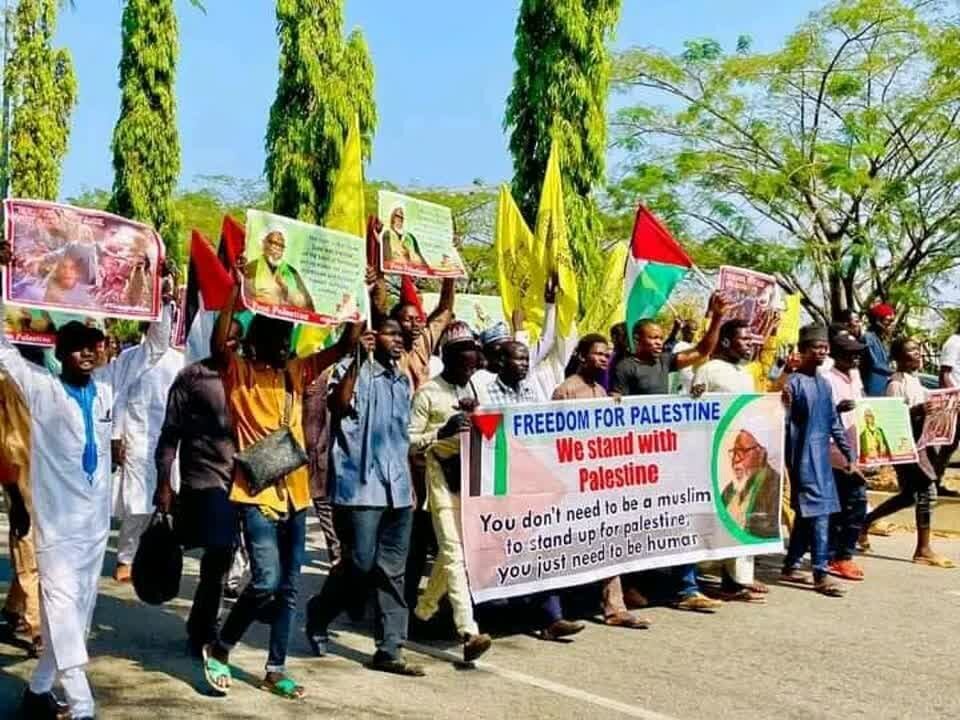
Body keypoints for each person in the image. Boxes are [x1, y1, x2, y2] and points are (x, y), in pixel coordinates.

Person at [199, 259, 359, 700]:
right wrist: (237, 289)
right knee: (266, 580)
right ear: (256, 340)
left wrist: (357, 298)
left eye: (286, 337)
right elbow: (219, 341)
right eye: (275, 336)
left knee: (288, 589)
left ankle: (275, 669)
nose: (284, 342)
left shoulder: (297, 372)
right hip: (255, 492)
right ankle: (221, 645)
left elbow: (346, 345)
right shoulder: (239, 372)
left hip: (296, 493)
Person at [0, 264, 113, 719]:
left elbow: (155, 349)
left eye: (93, 346)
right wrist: (1, 273)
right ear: (61, 353)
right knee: (64, 615)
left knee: (76, 618)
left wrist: (162, 300)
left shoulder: (107, 390)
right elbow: (3, 350)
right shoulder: (42, 389)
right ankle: (82, 706)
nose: (87, 353)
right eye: (77, 347)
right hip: (58, 529)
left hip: (95, 529)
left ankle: (37, 691)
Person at [306, 317, 426, 676]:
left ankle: (390, 648)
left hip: (397, 489)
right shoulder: (354, 370)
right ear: (375, 336)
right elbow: (339, 405)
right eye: (391, 334)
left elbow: (401, 436)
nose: (399, 340)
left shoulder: (402, 381)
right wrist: (358, 358)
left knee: (393, 570)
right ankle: (320, 612)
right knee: (359, 565)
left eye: (401, 335)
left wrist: (409, 483)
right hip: (360, 487)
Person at [612, 293, 730, 613]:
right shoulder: (626, 367)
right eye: (652, 337)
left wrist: (717, 317)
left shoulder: (665, 361)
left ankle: (686, 588)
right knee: (637, 523)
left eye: (660, 337)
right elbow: (614, 407)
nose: (658, 342)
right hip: (636, 459)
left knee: (680, 515)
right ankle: (632, 584)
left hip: (665, 454)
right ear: (637, 340)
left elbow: (703, 351)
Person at [476, 341, 586, 640]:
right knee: (497, 549)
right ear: (502, 361)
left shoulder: (531, 390)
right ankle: (483, 617)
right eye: (519, 359)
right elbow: (482, 432)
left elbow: (543, 428)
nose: (525, 364)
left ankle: (552, 617)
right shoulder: (484, 390)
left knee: (539, 544)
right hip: (497, 480)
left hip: (529, 479)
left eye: (527, 359)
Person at [154, 318, 244, 657]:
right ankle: (204, 630)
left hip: (241, 481)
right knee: (218, 550)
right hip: (204, 480)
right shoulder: (191, 377)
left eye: (235, 340)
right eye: (224, 337)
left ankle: (201, 623)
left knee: (222, 558)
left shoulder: (248, 376)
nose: (228, 345)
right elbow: (169, 435)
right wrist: (164, 482)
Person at [408, 321, 494, 661]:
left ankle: (423, 611)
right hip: (439, 481)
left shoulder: (476, 388)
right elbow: (409, 441)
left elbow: (492, 431)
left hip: (470, 480)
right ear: (447, 359)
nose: (468, 370)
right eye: (462, 364)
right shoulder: (428, 393)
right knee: (455, 555)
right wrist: (442, 432)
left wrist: (480, 418)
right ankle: (468, 631)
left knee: (453, 553)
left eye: (472, 364)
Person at [553, 334, 651, 628]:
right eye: (598, 354)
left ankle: (614, 607)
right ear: (582, 356)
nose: (604, 359)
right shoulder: (565, 392)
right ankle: (556, 611)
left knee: (610, 542)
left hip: (601, 483)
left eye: (607, 355)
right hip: (574, 483)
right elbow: (555, 440)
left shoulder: (601, 391)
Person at [691, 319, 776, 603]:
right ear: (726, 341)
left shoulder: (744, 373)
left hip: (743, 455)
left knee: (741, 516)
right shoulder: (708, 370)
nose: (750, 344)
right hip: (716, 453)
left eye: (751, 340)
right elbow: (691, 407)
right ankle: (701, 581)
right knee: (717, 517)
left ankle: (737, 581)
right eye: (744, 339)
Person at [860, 337, 955, 568]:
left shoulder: (915, 381)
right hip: (907, 445)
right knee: (927, 492)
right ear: (899, 358)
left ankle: (864, 523)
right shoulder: (896, 383)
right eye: (912, 351)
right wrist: (919, 410)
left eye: (918, 350)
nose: (918, 353)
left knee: (909, 496)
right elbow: (893, 416)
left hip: (921, 444)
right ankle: (923, 549)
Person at [781, 324, 857, 597]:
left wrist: (849, 455)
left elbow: (833, 422)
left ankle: (791, 565)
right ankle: (821, 573)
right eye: (816, 347)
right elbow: (781, 422)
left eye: (825, 347)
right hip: (801, 458)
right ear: (802, 351)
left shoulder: (824, 384)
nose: (822, 351)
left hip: (821, 460)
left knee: (808, 514)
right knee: (820, 513)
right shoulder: (792, 383)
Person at [110, 299, 182, 582]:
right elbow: (118, 397)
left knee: (165, 502)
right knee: (136, 504)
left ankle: (154, 559)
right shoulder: (129, 357)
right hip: (136, 438)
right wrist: (116, 436)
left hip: (168, 442)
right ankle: (126, 558)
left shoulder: (180, 360)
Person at [0, 362, 41, 658]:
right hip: (16, 469)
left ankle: (15, 607)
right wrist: (13, 493)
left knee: (37, 545)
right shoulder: (5, 381)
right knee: (27, 542)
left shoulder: (46, 375)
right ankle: (37, 626)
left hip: (46, 471)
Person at [823, 330, 868, 581]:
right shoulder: (828, 379)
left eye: (857, 354)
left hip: (854, 448)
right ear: (836, 355)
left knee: (848, 505)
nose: (855, 358)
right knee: (853, 503)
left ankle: (835, 555)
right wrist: (837, 409)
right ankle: (840, 556)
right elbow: (821, 412)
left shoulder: (854, 377)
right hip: (835, 451)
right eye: (850, 354)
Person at [243, 231, 315, 311]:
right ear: (264, 244)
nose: (277, 248)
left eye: (281, 246)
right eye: (273, 243)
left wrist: (286, 289)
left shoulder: (292, 271)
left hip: (286, 316)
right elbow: (246, 297)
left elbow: (307, 305)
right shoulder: (252, 267)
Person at [861, 303, 895, 397]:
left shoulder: (881, 339)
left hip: (883, 386)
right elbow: (874, 364)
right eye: (889, 320)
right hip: (872, 389)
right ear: (878, 320)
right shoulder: (868, 338)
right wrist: (895, 372)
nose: (891, 324)